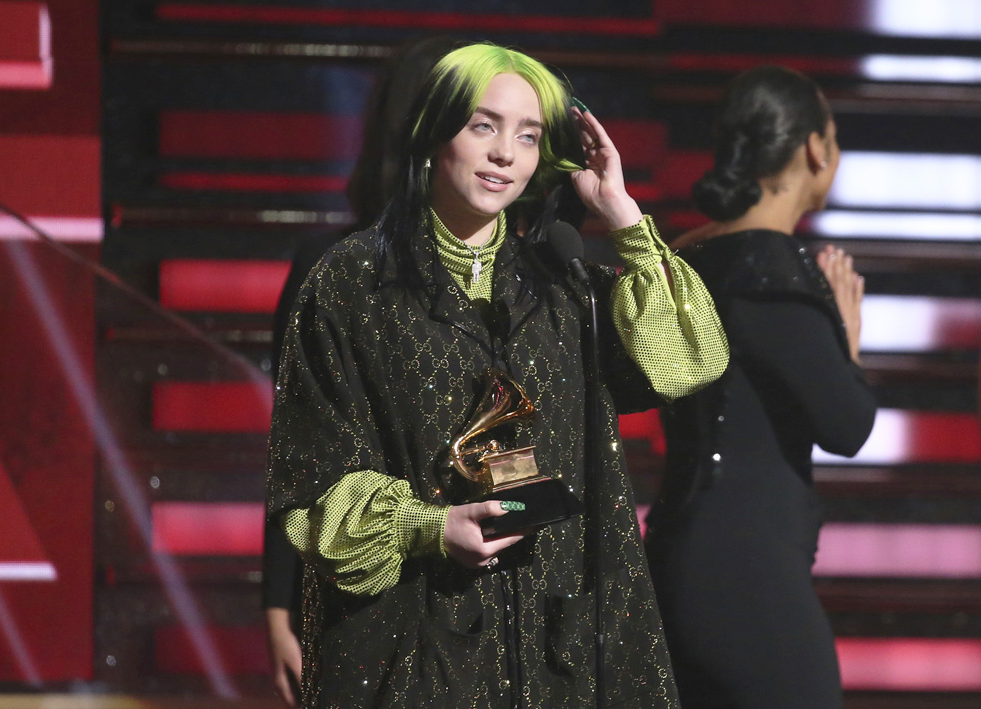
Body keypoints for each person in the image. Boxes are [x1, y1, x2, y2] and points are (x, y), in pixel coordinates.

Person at [266, 42, 728, 708]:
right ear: (434, 133)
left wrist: (623, 216)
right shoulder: (352, 282)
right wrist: (428, 525)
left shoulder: (561, 284)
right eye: (483, 125)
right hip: (410, 646)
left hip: (555, 648)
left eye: (528, 135)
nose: (504, 153)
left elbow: (691, 358)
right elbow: (310, 486)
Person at [643, 66, 877, 708]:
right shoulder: (773, 265)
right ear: (813, 149)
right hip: (745, 572)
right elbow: (848, 425)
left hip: (675, 549)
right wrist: (847, 344)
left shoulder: (684, 254)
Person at [262, 37, 456, 707]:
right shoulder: (330, 267)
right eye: (475, 119)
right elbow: (296, 448)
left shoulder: (519, 281)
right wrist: (277, 602)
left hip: (483, 588)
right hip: (360, 588)